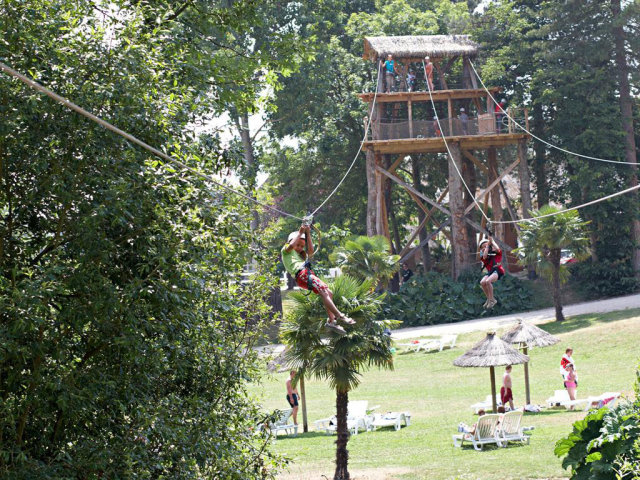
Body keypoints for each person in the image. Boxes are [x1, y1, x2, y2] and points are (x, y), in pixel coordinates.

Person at [281, 225, 354, 333]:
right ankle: (340, 316)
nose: (300, 248)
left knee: (329, 293)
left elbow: (310, 251)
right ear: (291, 242)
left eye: (302, 246)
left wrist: (308, 234)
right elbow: (291, 245)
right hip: (302, 275)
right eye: (298, 245)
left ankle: (331, 321)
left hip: (306, 275)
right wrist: (300, 233)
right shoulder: (286, 250)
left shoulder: (300, 256)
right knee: (324, 292)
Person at [479, 235, 505, 308]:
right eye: (483, 247)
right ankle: (490, 299)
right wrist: (487, 245)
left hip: (498, 270)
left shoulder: (496, 253)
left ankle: (491, 300)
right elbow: (485, 256)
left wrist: (492, 241)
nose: (484, 248)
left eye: (486, 246)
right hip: (491, 271)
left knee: (488, 281)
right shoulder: (483, 256)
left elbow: (497, 248)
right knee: (482, 282)